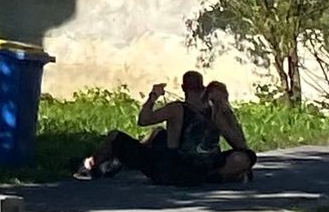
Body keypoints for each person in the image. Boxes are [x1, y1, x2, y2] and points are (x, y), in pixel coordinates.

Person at [79, 71, 257, 187]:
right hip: (200, 168)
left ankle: (91, 167)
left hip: (172, 167)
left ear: (183, 88)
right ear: (202, 88)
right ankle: (220, 176)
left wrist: (153, 96)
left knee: (116, 136)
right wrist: (228, 113)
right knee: (246, 158)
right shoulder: (214, 113)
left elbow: (143, 120)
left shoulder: (176, 108)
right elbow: (241, 146)